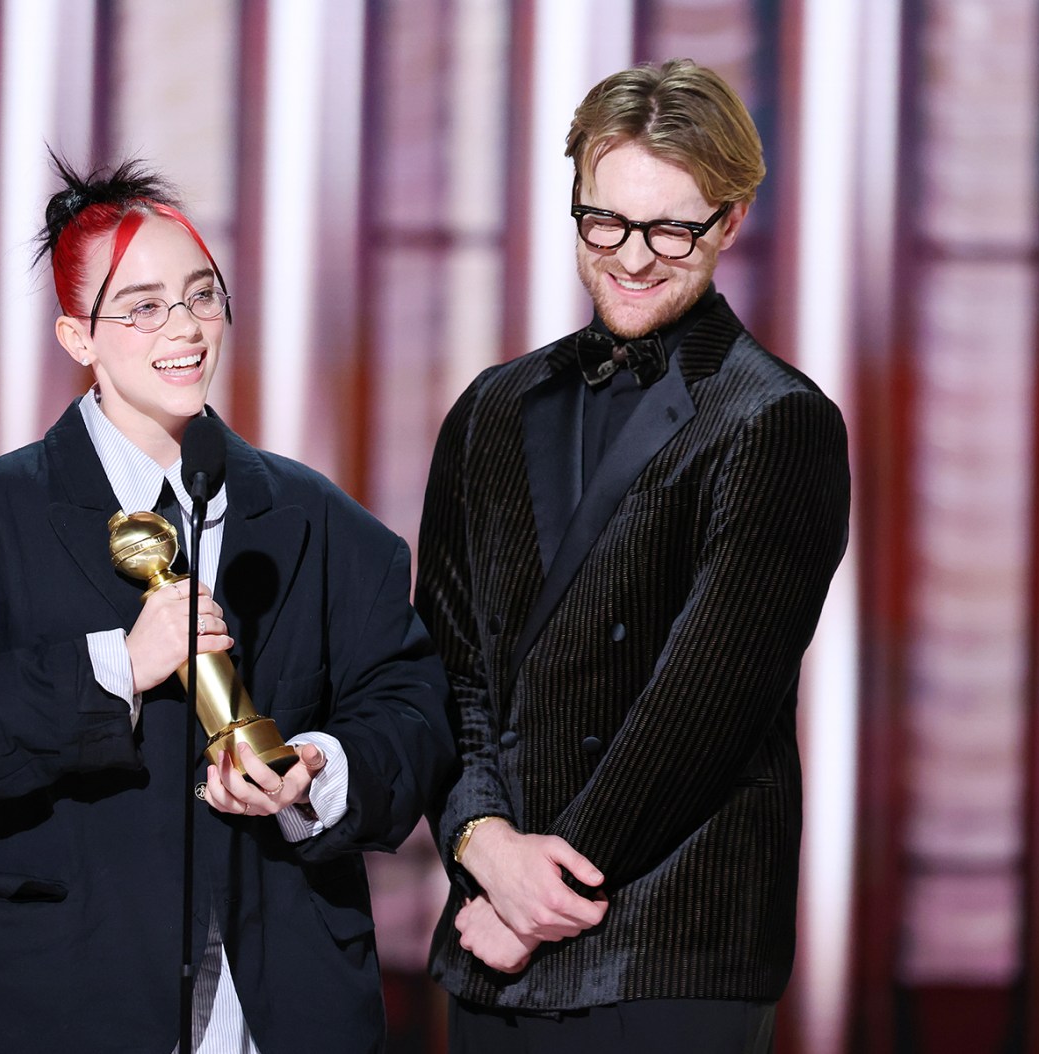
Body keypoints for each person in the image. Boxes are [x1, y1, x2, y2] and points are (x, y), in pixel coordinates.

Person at [0, 157, 453, 1053]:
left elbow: (412, 717)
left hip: (274, 1001)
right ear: (77, 338)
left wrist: (319, 768)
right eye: (141, 306)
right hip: (59, 995)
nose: (183, 328)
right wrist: (119, 666)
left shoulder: (327, 526)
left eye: (200, 297)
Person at [416, 59, 851, 1051]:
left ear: (732, 220)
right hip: (491, 941)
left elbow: (699, 705)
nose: (634, 257)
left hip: (665, 945)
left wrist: (537, 895)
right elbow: (447, 667)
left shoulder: (779, 422)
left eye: (672, 229)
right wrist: (482, 842)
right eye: (604, 221)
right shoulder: (491, 407)